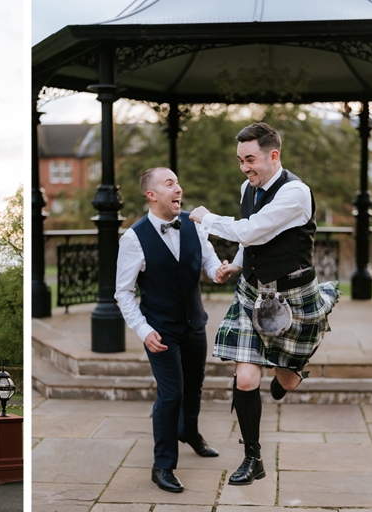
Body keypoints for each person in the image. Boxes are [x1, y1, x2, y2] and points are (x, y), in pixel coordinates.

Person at [190, 122, 340, 486]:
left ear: (274, 155)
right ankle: (252, 458)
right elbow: (252, 238)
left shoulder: (296, 193)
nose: (245, 168)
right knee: (245, 377)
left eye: (251, 159)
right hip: (253, 293)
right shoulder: (249, 187)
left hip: (294, 296)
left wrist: (205, 218)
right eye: (241, 160)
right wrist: (237, 264)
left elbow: (251, 230)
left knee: (286, 381)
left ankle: (286, 377)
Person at [115, 167, 230, 494]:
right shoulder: (134, 238)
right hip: (160, 332)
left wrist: (218, 270)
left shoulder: (194, 222)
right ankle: (162, 465)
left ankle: (190, 432)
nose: (178, 188)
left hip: (195, 323)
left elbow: (208, 262)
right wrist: (143, 330)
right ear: (151, 195)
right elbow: (123, 292)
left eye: (178, 183)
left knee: (194, 386)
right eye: (169, 184)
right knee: (171, 394)